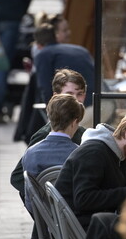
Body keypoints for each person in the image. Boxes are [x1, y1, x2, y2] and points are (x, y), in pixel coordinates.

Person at [54, 111, 126, 230]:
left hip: (96, 224)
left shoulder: (124, 156)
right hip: (75, 230)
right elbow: (84, 199)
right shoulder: (93, 152)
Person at [11, 68, 88, 203]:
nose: (76, 100)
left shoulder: (83, 133)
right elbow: (18, 177)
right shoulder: (45, 135)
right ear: (55, 96)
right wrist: (43, 204)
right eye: (69, 94)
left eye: (80, 94)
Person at [21, 93, 85, 213]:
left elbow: (30, 201)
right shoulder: (80, 154)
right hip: (75, 223)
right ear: (74, 122)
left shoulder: (31, 153)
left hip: (43, 222)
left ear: (49, 117)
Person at [33, 23, 95, 107]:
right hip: (103, 101)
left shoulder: (43, 54)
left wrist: (51, 110)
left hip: (82, 107)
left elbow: (45, 88)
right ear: (56, 37)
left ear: (38, 45)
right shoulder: (81, 49)